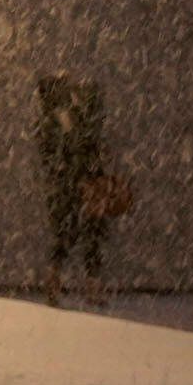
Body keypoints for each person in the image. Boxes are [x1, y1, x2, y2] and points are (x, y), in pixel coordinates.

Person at [36, 73, 114, 300]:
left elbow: (52, 156)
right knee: (90, 233)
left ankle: (56, 280)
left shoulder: (48, 122)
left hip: (66, 184)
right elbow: (85, 148)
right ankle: (90, 286)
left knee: (65, 232)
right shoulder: (68, 119)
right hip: (84, 183)